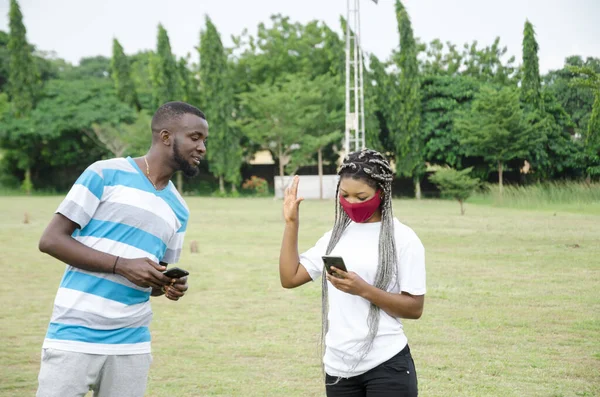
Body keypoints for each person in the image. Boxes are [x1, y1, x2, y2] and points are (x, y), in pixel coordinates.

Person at [36, 101, 208, 397]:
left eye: (204, 140)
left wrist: (167, 284)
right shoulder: (104, 174)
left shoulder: (179, 209)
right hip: (75, 334)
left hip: (132, 343)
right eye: (195, 137)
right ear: (166, 136)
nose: (202, 147)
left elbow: (151, 278)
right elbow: (51, 240)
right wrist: (121, 264)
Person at [279, 148, 426, 397]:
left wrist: (364, 290)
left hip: (387, 365)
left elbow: (415, 308)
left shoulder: (403, 239)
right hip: (339, 369)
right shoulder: (336, 237)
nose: (352, 203)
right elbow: (290, 278)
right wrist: (292, 223)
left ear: (382, 193)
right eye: (345, 195)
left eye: (361, 196)